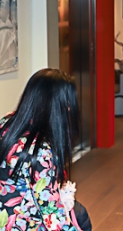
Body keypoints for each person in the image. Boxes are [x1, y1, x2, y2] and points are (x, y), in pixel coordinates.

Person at [0, 68, 83, 230]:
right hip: (20, 224)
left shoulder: (8, 122)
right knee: (81, 217)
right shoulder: (41, 152)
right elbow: (52, 217)